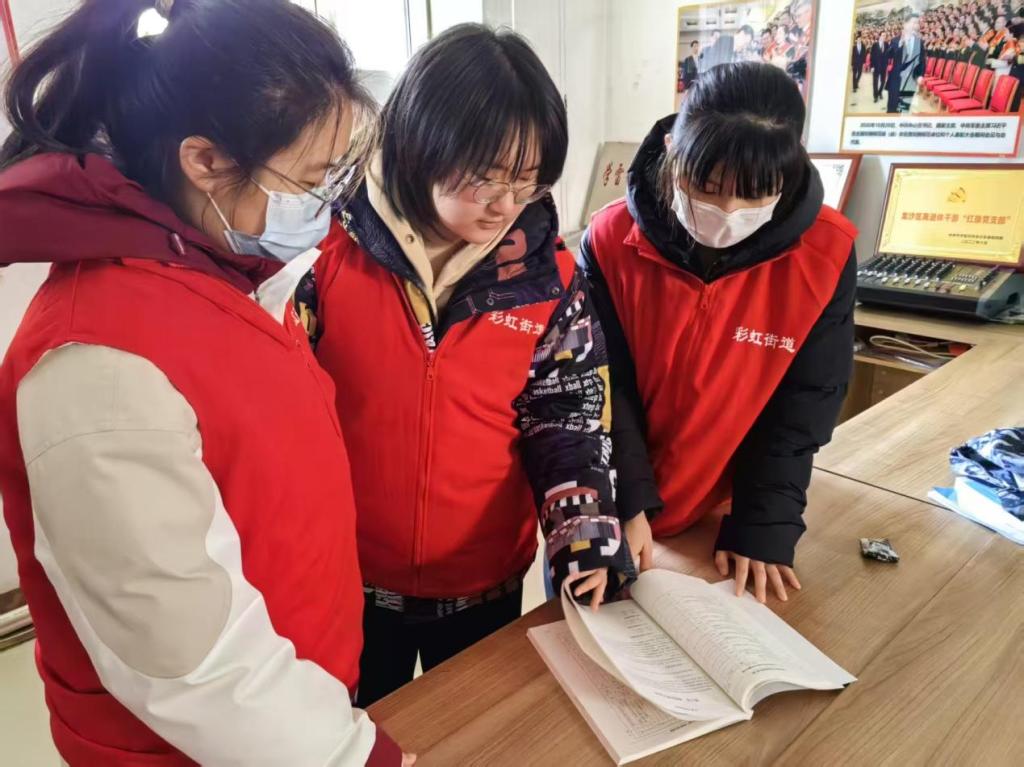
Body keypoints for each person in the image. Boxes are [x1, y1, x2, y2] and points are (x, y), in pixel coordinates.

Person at [0, 1, 411, 764]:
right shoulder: (96, 360)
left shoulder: (224, 273)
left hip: (294, 713)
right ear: (205, 161)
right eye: (312, 180)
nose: (327, 206)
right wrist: (346, 753)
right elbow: (189, 660)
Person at [296, 24, 634, 708]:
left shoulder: (548, 279)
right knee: (363, 731)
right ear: (421, 145)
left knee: (472, 734)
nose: (507, 204)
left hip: (484, 584)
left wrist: (586, 535)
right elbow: (278, 417)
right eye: (486, 178)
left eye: (527, 181)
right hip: (348, 577)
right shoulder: (323, 254)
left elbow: (570, 418)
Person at [579, 63, 857, 605]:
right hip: (612, 494)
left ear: (790, 170)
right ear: (671, 150)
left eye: (754, 194)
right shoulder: (611, 238)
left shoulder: (826, 253)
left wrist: (764, 525)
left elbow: (803, 405)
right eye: (705, 187)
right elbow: (601, 382)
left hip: (720, 510)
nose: (727, 211)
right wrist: (626, 500)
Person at [886, 15, 926, 113]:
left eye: (917, 23)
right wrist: (900, 43)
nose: (915, 25)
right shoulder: (895, 40)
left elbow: (922, 61)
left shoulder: (919, 42)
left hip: (910, 81)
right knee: (892, 109)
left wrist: (920, 75)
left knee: (904, 109)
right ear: (906, 24)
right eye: (913, 22)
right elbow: (889, 55)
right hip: (896, 79)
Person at [871, 31, 891, 103]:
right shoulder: (875, 45)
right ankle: (875, 96)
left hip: (883, 66)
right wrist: (872, 66)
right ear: (879, 36)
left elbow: (889, 55)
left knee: (883, 81)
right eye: (882, 35)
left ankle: (880, 92)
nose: (883, 37)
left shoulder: (887, 44)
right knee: (875, 82)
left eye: (885, 35)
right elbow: (872, 56)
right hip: (876, 66)